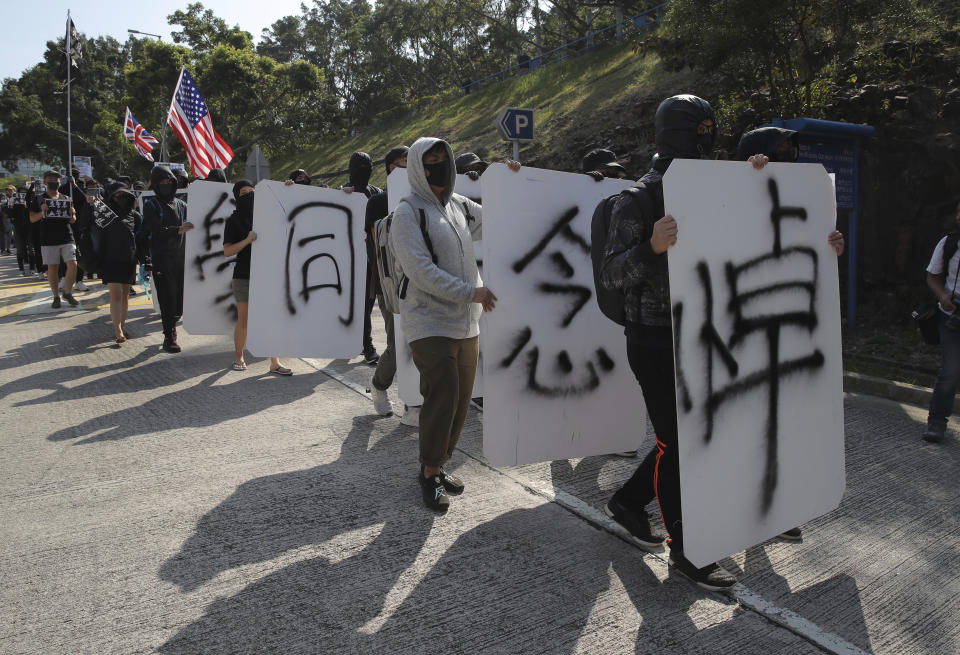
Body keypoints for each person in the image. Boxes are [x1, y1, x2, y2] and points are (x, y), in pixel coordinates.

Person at [736, 126, 846, 540]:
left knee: (781, 424)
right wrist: (748, 177)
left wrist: (830, 243)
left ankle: (774, 509)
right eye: (779, 150)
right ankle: (746, 507)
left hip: (789, 329)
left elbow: (811, 257)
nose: (788, 156)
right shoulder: (728, 196)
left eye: (790, 150)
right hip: (741, 332)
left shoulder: (804, 196)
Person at [390, 137, 497, 512]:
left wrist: (506, 179)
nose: (439, 165)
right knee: (444, 395)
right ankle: (430, 471)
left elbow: (497, 213)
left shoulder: (458, 206)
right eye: (430, 160)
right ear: (418, 167)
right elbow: (421, 272)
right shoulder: (408, 214)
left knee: (461, 402)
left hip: (467, 323)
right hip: (429, 323)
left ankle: (436, 465)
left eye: (443, 158)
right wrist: (472, 292)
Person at [221, 180, 292, 376]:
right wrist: (247, 240)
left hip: (267, 275)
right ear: (237, 197)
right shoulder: (233, 220)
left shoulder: (266, 214)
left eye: (253, 191)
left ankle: (274, 363)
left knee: (270, 318)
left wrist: (287, 188)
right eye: (244, 192)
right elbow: (227, 251)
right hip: (243, 276)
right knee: (244, 320)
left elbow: (287, 210)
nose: (250, 195)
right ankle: (239, 356)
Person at [366, 146, 409, 417]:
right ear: (391, 167)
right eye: (404, 163)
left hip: (423, 281)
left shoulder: (423, 196)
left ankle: (413, 400)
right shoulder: (378, 202)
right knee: (398, 343)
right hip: (390, 282)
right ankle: (379, 384)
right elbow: (380, 241)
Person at [137, 165, 193, 352]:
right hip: (162, 259)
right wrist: (176, 230)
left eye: (169, 182)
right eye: (162, 182)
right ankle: (169, 337)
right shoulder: (152, 205)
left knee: (180, 303)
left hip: (181, 259)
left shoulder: (181, 204)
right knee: (167, 299)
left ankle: (171, 325)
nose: (166, 185)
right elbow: (154, 230)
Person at [921, 199, 960, 443]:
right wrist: (943, 296)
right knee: (951, 371)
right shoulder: (949, 243)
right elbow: (933, 277)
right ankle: (937, 422)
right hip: (952, 315)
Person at [342, 152, 384, 365]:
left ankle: (363, 343)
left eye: (368, 166)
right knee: (353, 305)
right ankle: (365, 344)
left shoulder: (375, 192)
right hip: (347, 261)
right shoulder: (343, 193)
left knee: (368, 304)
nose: (364, 171)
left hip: (372, 259)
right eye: (360, 167)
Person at [95, 182, 143, 344]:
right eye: (115, 195)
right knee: (115, 294)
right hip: (110, 259)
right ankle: (118, 330)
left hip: (129, 260)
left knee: (125, 295)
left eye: (122, 195)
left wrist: (145, 260)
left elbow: (141, 239)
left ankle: (121, 325)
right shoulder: (104, 213)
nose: (119, 198)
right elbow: (87, 226)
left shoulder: (134, 215)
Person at [29, 170, 78, 309]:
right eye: (50, 179)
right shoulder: (39, 199)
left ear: (60, 182)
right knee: (53, 267)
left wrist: (72, 214)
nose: (53, 182)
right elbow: (32, 219)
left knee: (73, 264)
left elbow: (73, 220)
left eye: (56, 180)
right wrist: (42, 212)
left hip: (67, 236)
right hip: (48, 238)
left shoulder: (66, 198)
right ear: (44, 182)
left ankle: (67, 292)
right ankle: (56, 296)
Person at [6, 185, 33, 276]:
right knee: (20, 250)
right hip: (18, 228)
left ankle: (32, 268)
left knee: (31, 249)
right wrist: (11, 206)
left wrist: (27, 206)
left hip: (29, 228)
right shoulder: (14, 201)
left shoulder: (31, 200)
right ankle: (21, 269)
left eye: (25, 192)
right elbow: (10, 215)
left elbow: (34, 212)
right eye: (21, 192)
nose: (23, 194)